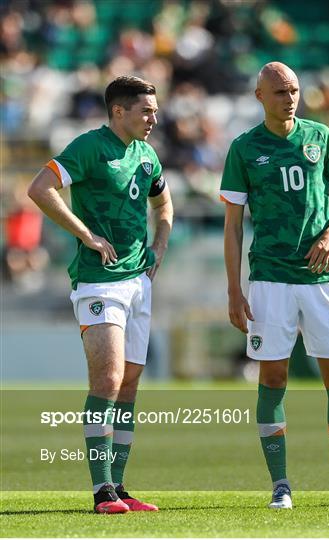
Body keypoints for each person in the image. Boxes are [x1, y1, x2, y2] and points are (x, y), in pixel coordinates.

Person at [220, 62, 329, 509]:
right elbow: (232, 226)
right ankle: (281, 486)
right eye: (278, 92)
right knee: (272, 375)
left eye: (293, 90)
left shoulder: (320, 137)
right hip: (270, 278)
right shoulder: (244, 148)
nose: (288, 98)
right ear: (259, 97)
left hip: (321, 278)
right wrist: (234, 289)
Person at [28, 76, 173, 513]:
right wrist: (86, 234)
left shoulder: (146, 156)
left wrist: (160, 244)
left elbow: (163, 205)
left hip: (138, 283)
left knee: (128, 384)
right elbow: (40, 188)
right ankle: (101, 491)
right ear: (119, 111)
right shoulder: (89, 147)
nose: (153, 118)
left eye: (154, 110)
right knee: (107, 380)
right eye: (145, 110)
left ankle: (122, 486)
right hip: (98, 280)